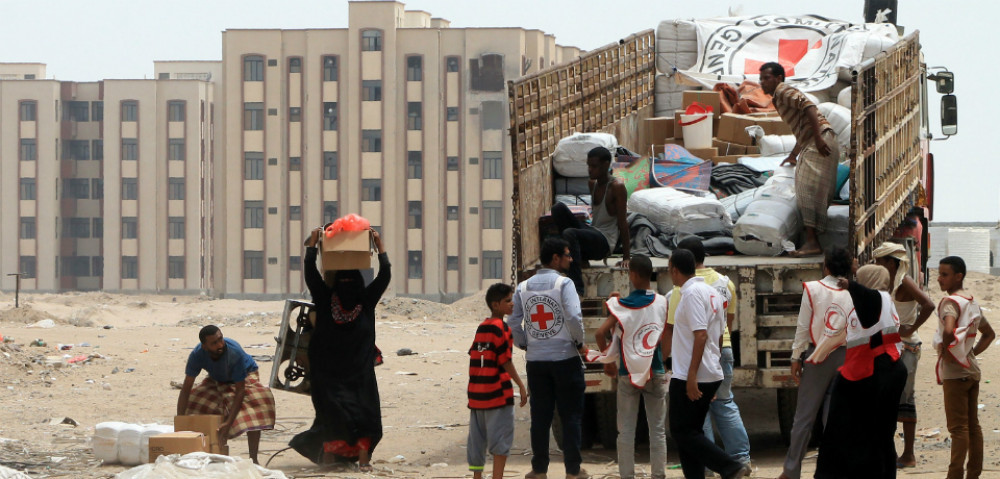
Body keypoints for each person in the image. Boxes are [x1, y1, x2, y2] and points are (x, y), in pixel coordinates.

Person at [289, 226, 390, 471]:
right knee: (331, 416)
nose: (347, 285)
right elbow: (312, 274)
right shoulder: (327, 300)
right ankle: (331, 458)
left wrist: (379, 247)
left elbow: (384, 276)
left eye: (351, 281)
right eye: (343, 281)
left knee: (364, 417)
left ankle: (363, 459)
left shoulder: (362, 301)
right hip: (330, 374)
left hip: (357, 374)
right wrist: (312, 247)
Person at [664, 237, 751, 471]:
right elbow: (720, 333)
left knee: (682, 431)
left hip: (690, 373)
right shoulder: (713, 292)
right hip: (708, 370)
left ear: (674, 270)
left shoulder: (689, 295)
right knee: (690, 432)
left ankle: (731, 466)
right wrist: (713, 371)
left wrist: (693, 376)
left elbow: (701, 335)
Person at [815, 265, 908, 478]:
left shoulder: (870, 301)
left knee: (846, 432)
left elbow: (866, 306)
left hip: (866, 371)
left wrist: (851, 286)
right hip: (892, 367)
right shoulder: (887, 300)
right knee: (882, 434)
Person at [509, 237, 589, 479]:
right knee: (571, 417)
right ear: (555, 258)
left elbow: (513, 321)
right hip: (566, 358)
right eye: (567, 254)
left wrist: (524, 343)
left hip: (536, 362)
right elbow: (574, 317)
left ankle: (539, 470)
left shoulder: (522, 287)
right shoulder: (564, 284)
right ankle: (573, 471)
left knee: (540, 418)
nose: (571, 259)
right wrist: (580, 342)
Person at [585, 255, 668, 479]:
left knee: (626, 431)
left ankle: (627, 475)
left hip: (627, 374)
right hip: (655, 370)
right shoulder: (662, 302)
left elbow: (600, 333)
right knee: (657, 430)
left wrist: (609, 363)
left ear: (632, 275)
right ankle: (659, 475)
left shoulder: (621, 305)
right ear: (649, 274)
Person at [778, 247, 852, 479]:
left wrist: (795, 357)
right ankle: (832, 469)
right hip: (845, 355)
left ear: (826, 266)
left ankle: (791, 471)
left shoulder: (813, 289)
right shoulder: (854, 292)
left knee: (804, 418)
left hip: (817, 355)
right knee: (834, 418)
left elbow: (802, 327)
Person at [759, 62, 840, 257]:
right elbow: (802, 128)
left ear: (778, 78)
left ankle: (812, 242)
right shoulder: (779, 97)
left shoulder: (783, 90)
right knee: (812, 192)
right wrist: (793, 155)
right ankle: (812, 240)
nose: (762, 83)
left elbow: (809, 107)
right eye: (761, 79)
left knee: (804, 190)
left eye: (766, 78)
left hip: (818, 140)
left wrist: (819, 138)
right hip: (814, 139)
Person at [871, 242, 936, 468]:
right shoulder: (885, 282)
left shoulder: (903, 282)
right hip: (890, 347)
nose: (877, 265)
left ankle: (908, 455)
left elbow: (928, 304)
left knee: (906, 400)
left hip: (907, 347)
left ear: (890, 262)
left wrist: (909, 327)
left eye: (880, 261)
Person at [177, 325, 276, 464]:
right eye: (214, 343)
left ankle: (253, 458)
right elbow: (186, 388)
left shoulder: (234, 353)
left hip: (245, 376)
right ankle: (207, 451)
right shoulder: (197, 355)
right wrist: (180, 421)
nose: (220, 345)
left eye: (220, 339)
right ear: (205, 347)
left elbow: (240, 390)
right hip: (217, 378)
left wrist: (228, 423)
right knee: (194, 401)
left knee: (254, 406)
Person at [933, 256, 994, 479]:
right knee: (973, 426)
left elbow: (949, 330)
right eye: (939, 274)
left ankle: (954, 475)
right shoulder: (971, 302)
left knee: (958, 429)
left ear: (958, 276)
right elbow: (989, 334)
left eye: (944, 274)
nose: (939, 278)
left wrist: (950, 353)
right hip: (971, 371)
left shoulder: (950, 303)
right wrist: (969, 354)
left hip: (955, 374)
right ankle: (973, 474)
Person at [467, 283, 530, 479]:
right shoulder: (502, 329)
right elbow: (505, 361)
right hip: (497, 394)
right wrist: (521, 385)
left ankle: (477, 477)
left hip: (476, 394)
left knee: (477, 441)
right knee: (500, 441)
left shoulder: (482, 327)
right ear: (496, 305)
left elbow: (475, 354)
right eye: (508, 301)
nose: (512, 304)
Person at [550, 146, 630, 294]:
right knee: (558, 208)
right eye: (588, 166)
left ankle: (577, 287)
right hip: (593, 232)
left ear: (606, 165)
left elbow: (622, 223)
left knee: (570, 233)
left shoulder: (616, 187)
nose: (590, 170)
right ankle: (580, 258)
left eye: (594, 166)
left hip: (604, 242)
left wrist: (626, 257)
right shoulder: (592, 183)